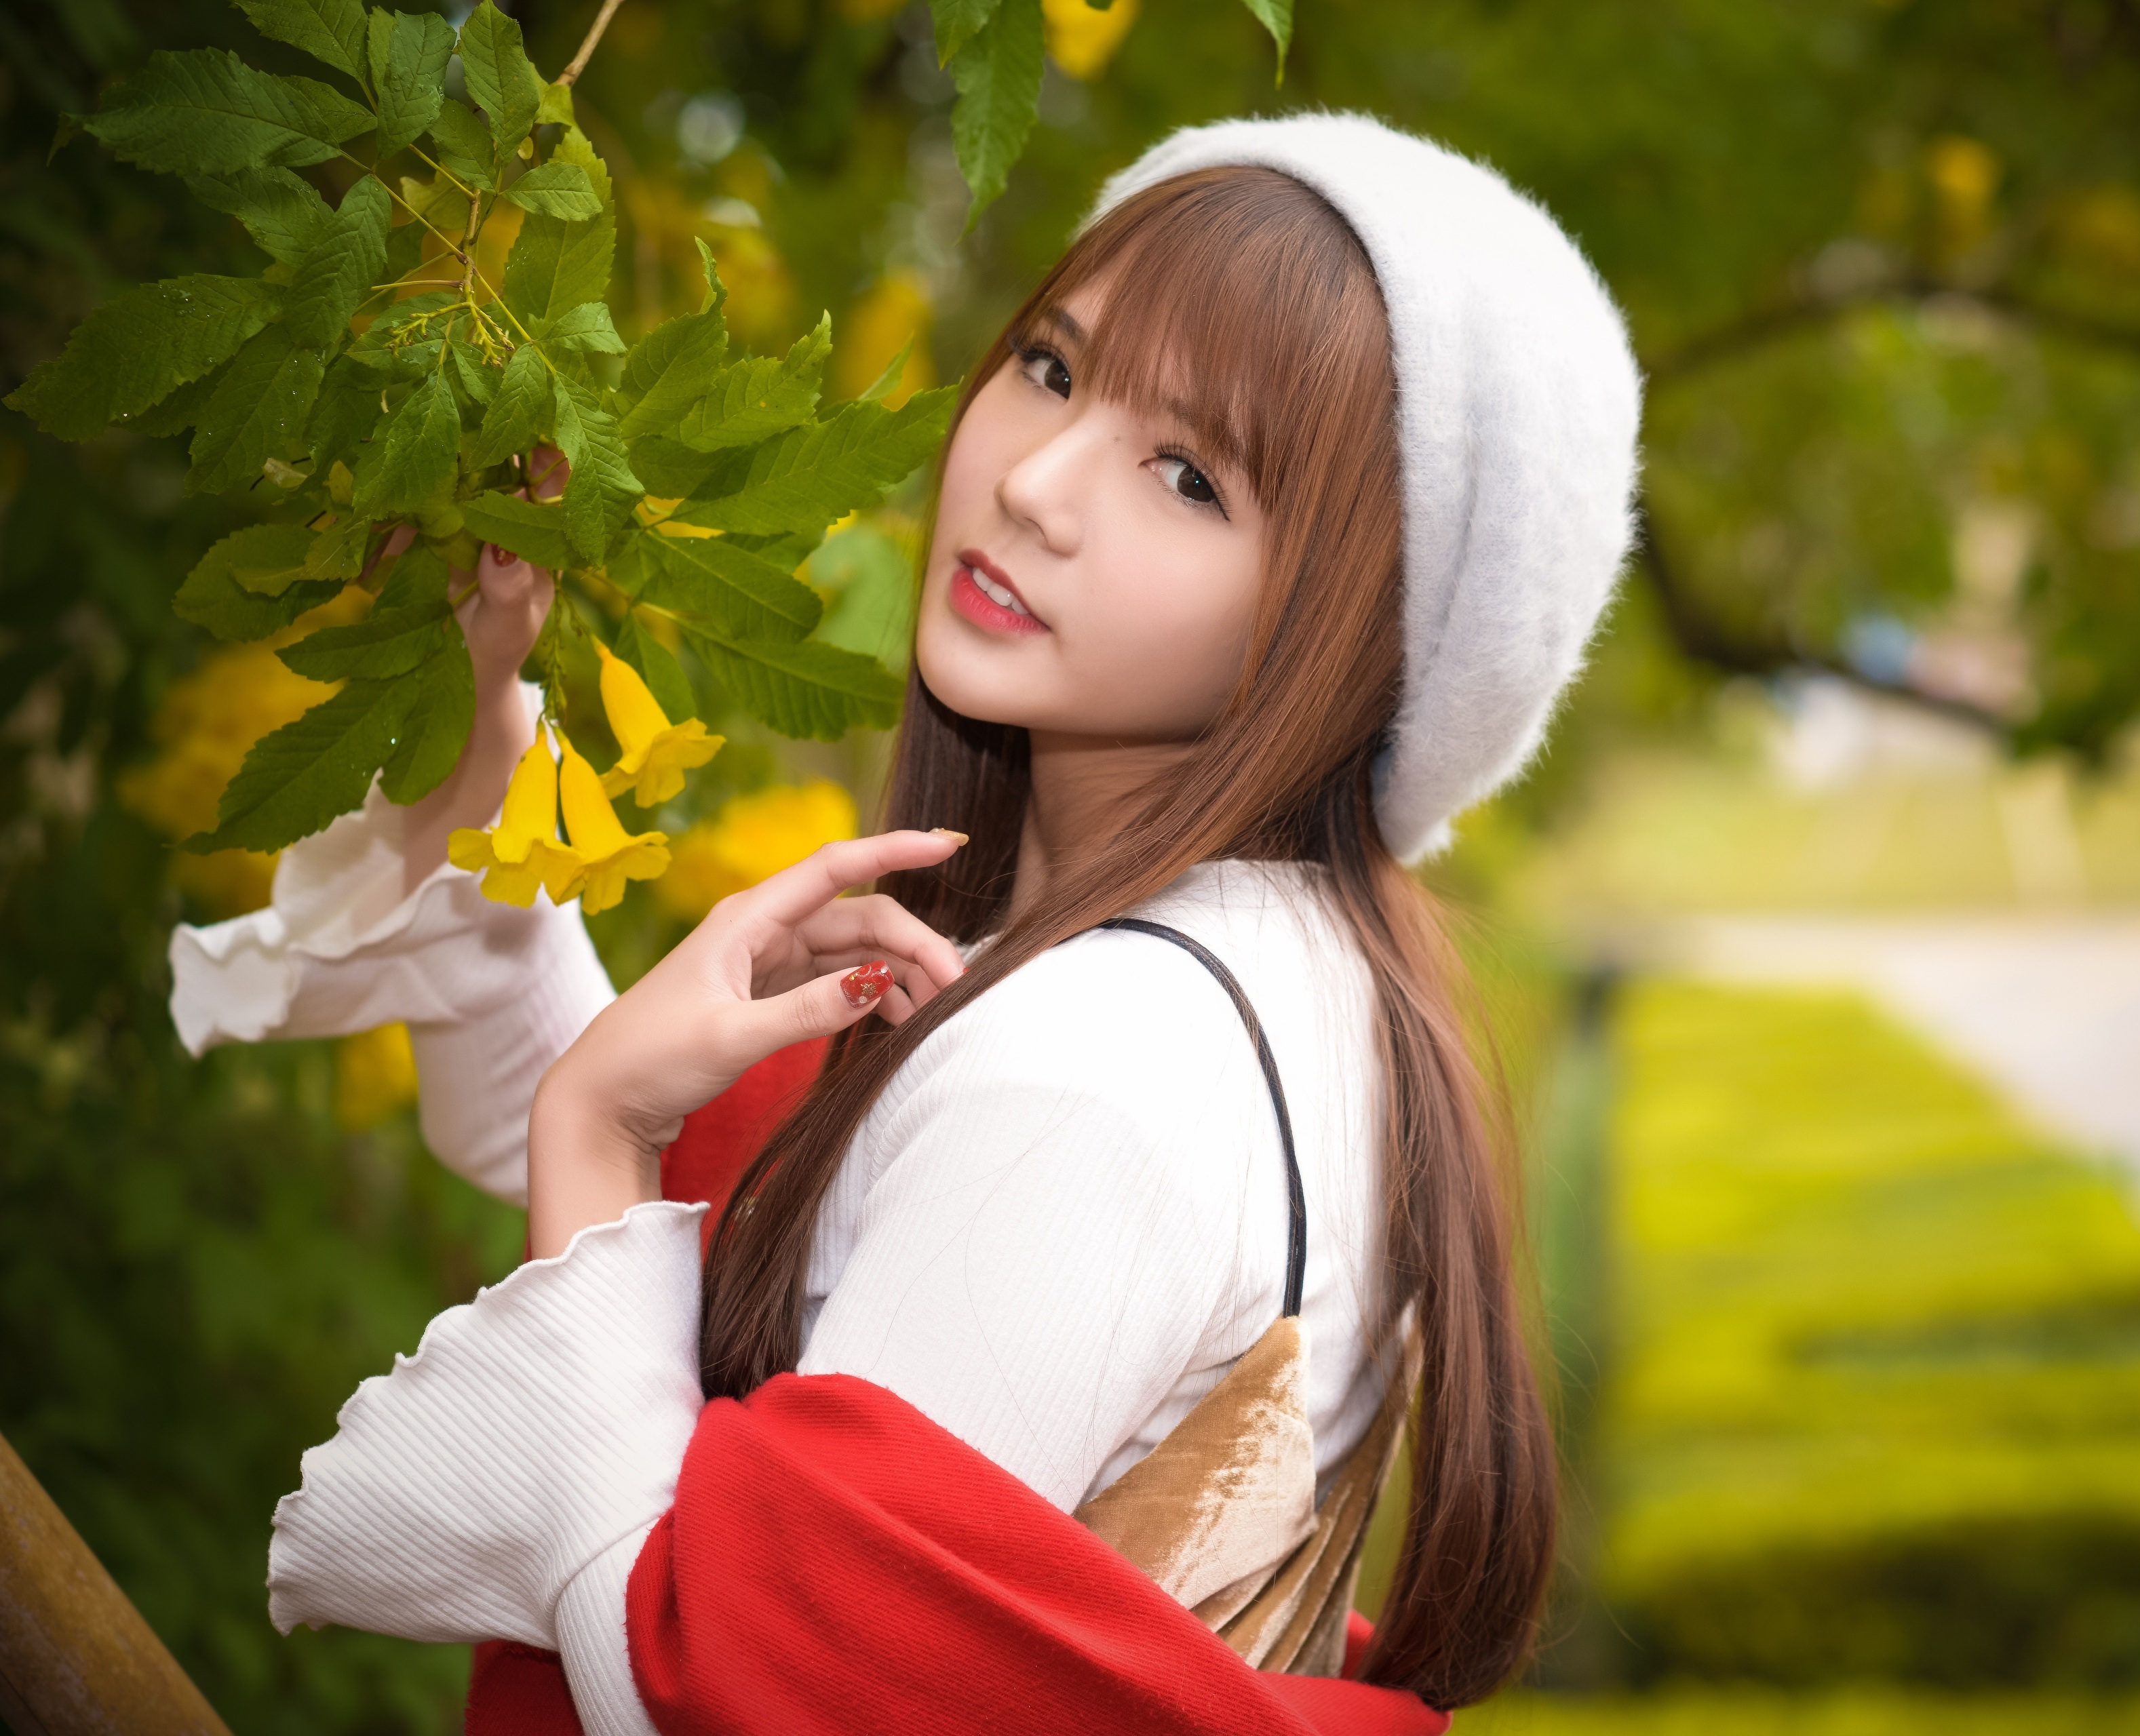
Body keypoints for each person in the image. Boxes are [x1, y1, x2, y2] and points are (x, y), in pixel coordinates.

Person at [170, 115, 1640, 1735]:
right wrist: (483, 748)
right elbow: (760, 1284)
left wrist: (592, 1137)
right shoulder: (1278, 979)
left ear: (1357, 644)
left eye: (1189, 475)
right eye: (1056, 368)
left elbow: (715, 1688)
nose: (1032, 481)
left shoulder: (1093, 1079)